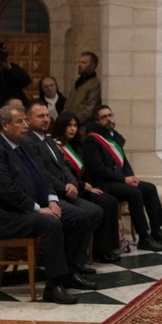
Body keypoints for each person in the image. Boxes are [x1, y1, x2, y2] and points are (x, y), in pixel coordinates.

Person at [0, 106, 95, 304]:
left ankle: (70, 272)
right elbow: (6, 191)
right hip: (8, 216)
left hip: (34, 206)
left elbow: (43, 177)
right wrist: (37, 208)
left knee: (79, 217)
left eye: (25, 120)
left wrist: (52, 199)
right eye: (19, 122)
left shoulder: (23, 145)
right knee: (51, 224)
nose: (25, 125)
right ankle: (53, 285)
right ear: (5, 126)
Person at [22, 103, 107, 277]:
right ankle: (69, 268)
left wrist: (73, 183)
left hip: (65, 190)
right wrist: (64, 187)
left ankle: (75, 261)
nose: (46, 119)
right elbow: (42, 173)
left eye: (47, 115)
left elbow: (65, 166)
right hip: (49, 194)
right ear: (28, 120)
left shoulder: (48, 140)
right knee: (80, 216)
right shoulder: (29, 142)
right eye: (41, 116)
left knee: (95, 211)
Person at [81, 105, 162, 251]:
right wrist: (124, 180)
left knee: (149, 188)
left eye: (110, 115)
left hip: (119, 180)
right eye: (104, 117)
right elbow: (98, 169)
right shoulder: (92, 140)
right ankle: (144, 237)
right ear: (97, 121)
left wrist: (130, 176)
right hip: (103, 183)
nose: (109, 119)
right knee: (134, 193)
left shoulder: (114, 137)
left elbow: (124, 162)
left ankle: (156, 231)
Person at [52, 112, 121, 263]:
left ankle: (110, 247)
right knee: (102, 203)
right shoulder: (56, 146)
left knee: (110, 200)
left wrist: (88, 185)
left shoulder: (75, 145)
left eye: (75, 126)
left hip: (81, 186)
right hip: (72, 190)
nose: (72, 129)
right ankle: (100, 251)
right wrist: (85, 186)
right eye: (69, 125)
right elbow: (64, 174)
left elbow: (83, 170)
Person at [64, 52, 101, 123]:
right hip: (70, 124)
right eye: (79, 62)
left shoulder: (95, 84)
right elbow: (68, 103)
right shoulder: (78, 82)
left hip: (82, 127)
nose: (80, 65)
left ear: (93, 66)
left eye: (84, 63)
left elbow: (88, 110)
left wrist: (73, 122)